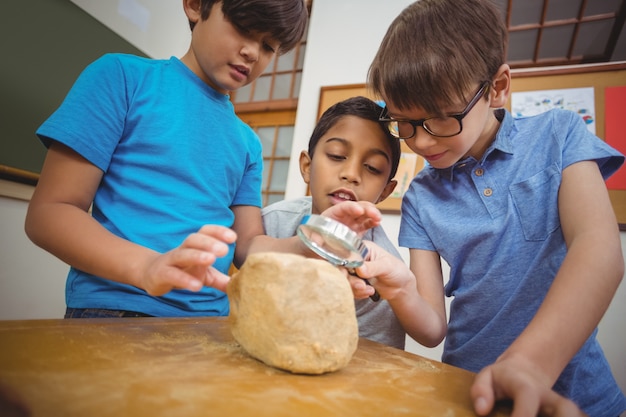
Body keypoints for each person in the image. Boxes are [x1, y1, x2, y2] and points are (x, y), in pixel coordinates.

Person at [350, 0, 626, 416]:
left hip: (577, 392)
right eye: (404, 123)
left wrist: (529, 364)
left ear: (497, 87)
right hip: (467, 389)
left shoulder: (558, 134)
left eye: (441, 119)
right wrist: (399, 285)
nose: (421, 142)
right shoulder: (421, 196)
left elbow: (599, 249)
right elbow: (432, 329)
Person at [23, 0, 318, 318]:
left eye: (268, 46)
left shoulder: (248, 143)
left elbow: (248, 247)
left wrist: (307, 246)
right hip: (117, 308)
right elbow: (50, 213)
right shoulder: (123, 78)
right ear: (194, 6)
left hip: (210, 322)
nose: (253, 53)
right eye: (243, 29)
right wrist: (147, 267)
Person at [262, 96, 409, 349]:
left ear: (386, 191)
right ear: (307, 166)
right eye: (337, 155)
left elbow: (376, 360)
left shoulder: (380, 269)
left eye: (372, 168)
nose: (351, 174)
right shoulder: (271, 224)